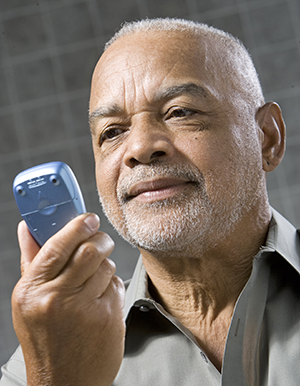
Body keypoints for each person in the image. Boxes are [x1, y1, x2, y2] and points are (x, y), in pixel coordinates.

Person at [1, 17, 300, 386]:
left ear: (267, 138)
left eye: (181, 112)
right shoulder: (39, 369)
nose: (140, 149)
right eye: (112, 132)